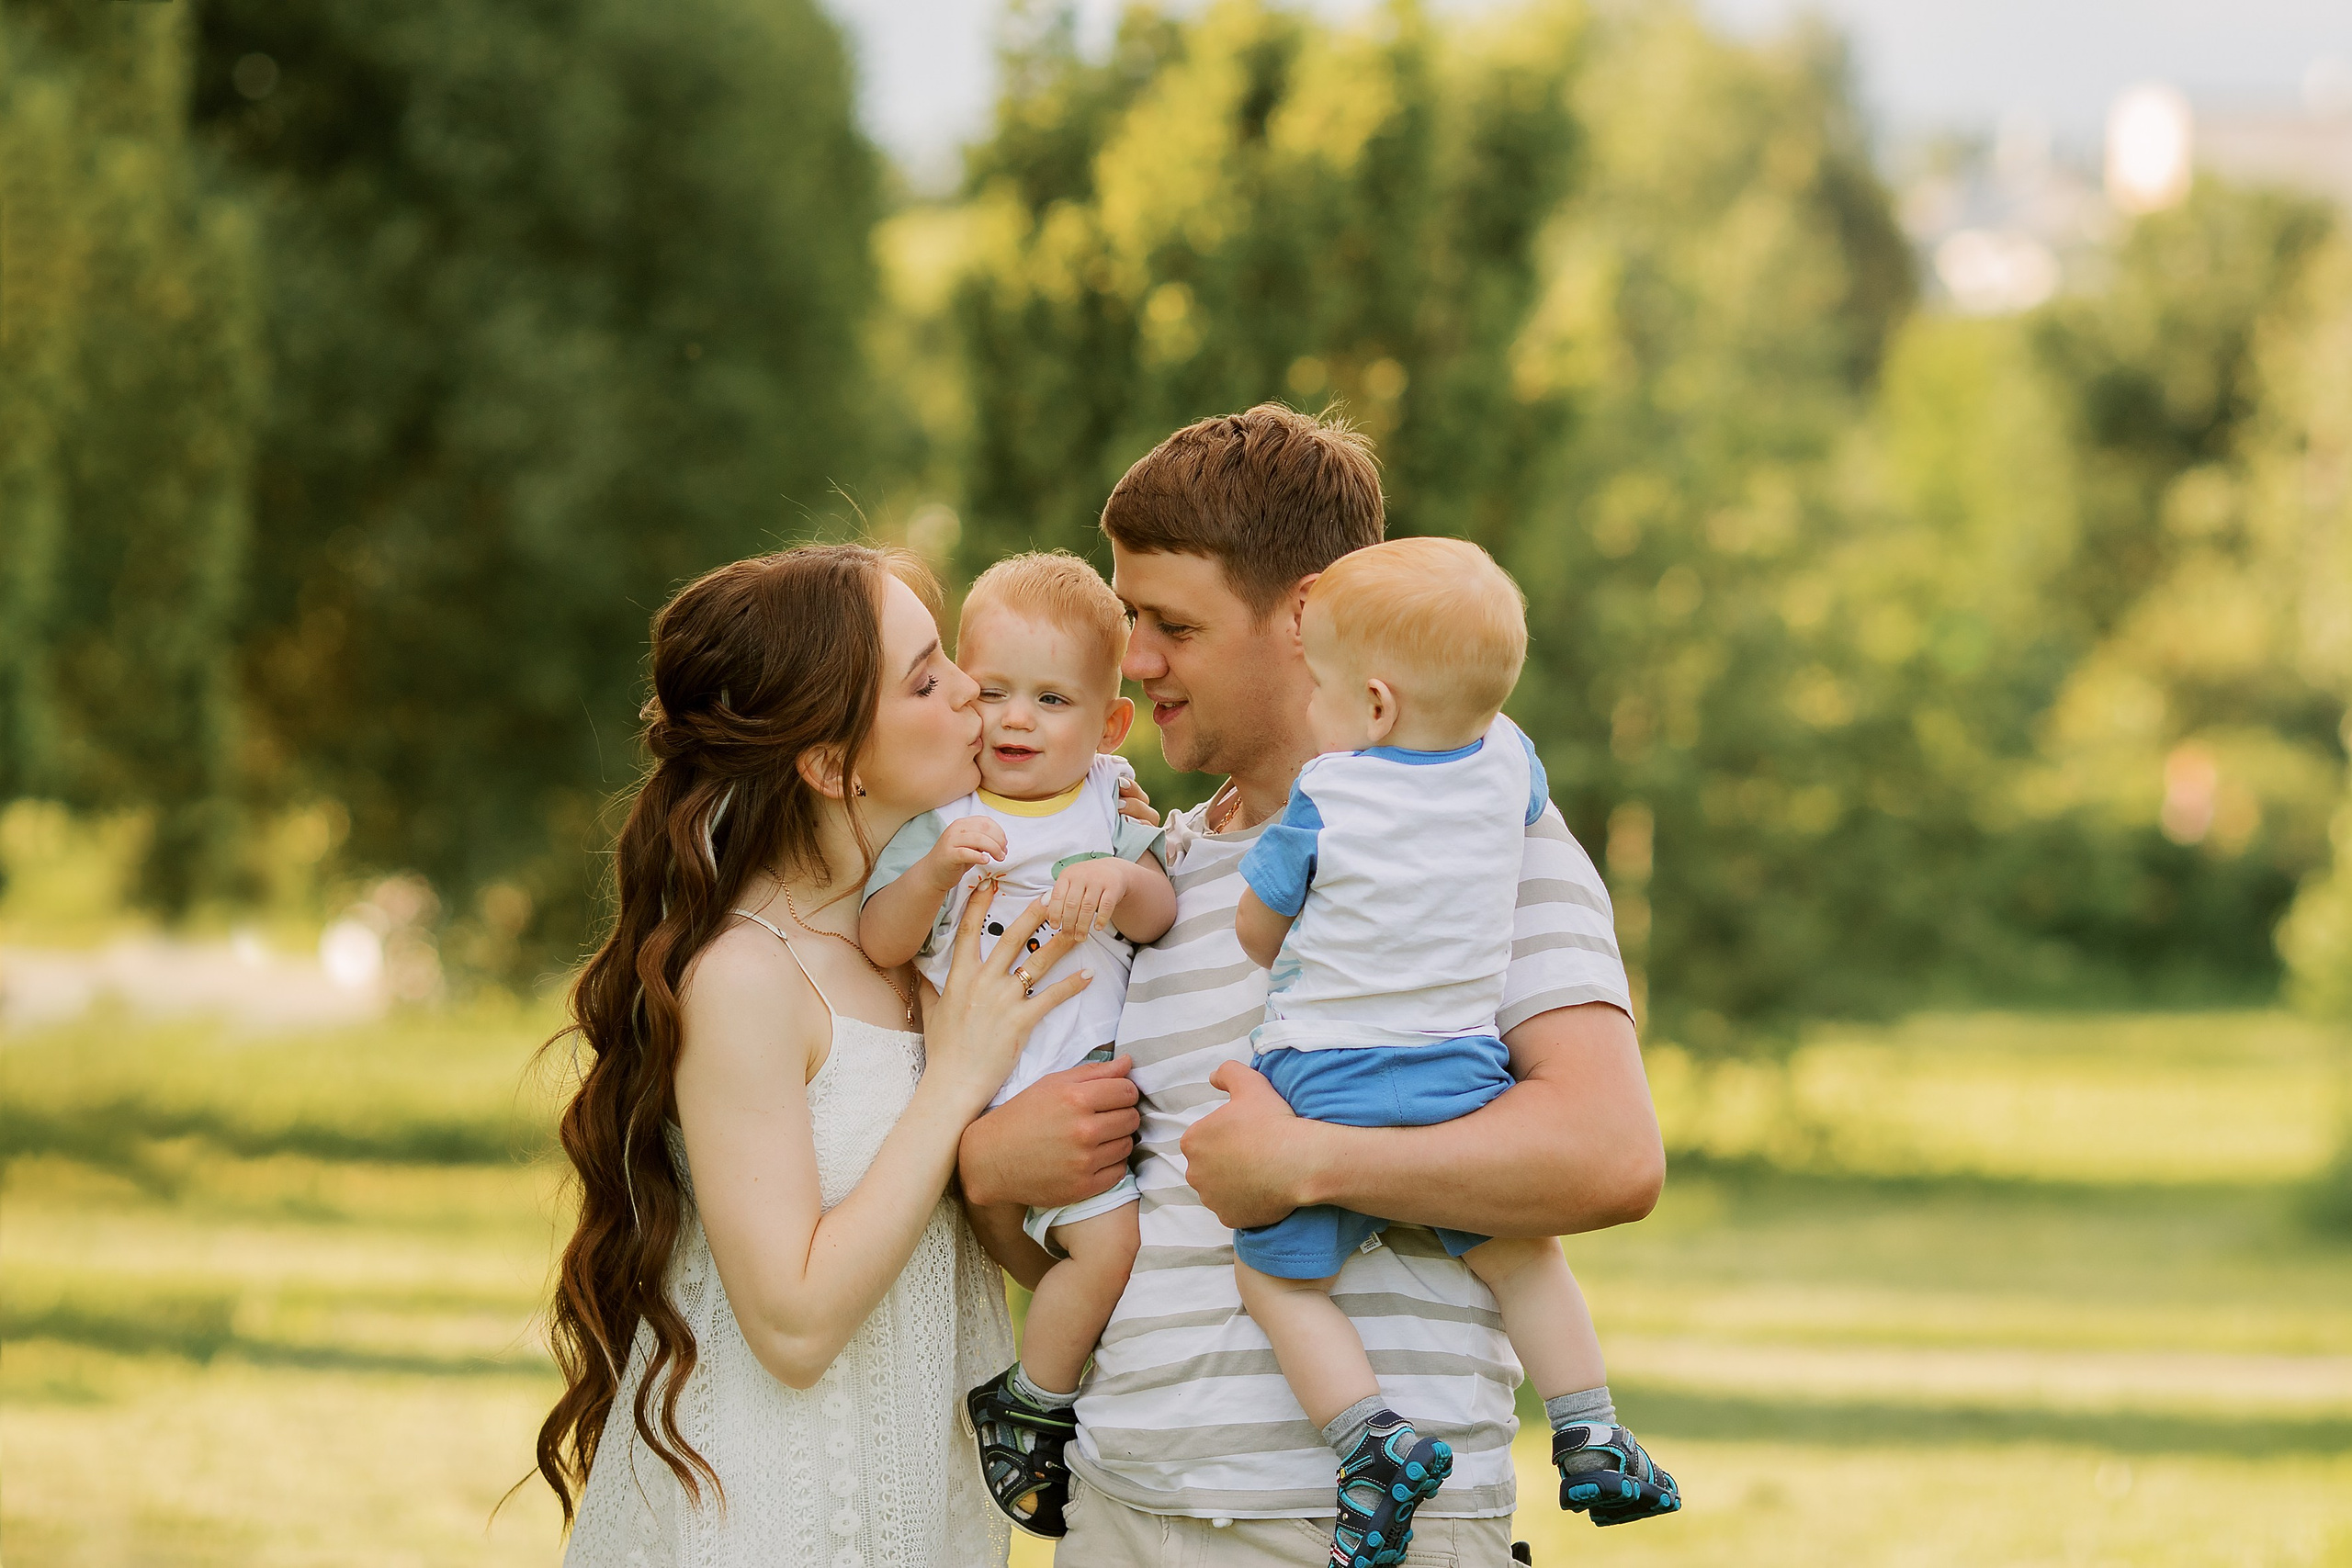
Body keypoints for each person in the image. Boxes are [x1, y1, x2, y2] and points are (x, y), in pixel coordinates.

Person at [956, 405, 1669, 1566]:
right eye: (1131, 617)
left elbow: (1610, 1155)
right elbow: (1106, 1251)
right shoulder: (1157, 868)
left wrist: (1312, 1165)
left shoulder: (1482, 830)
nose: (1133, 659)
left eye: (1171, 624)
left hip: (1346, 1537)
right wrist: (995, 1178)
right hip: (1119, 1510)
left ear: (1304, 614)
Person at [539, 543, 1094, 1568]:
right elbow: (790, 1326)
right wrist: (960, 1081)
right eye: (928, 678)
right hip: (767, 1518)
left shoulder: (916, 948)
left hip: (920, 1517)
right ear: (832, 766)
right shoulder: (748, 977)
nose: (973, 691)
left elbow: (985, 1258)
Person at [1230, 537, 1679, 1568]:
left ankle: (1370, 1440)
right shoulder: (1511, 768)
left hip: (1321, 1085)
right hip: (1459, 1081)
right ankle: (1591, 1429)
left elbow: (1257, 934)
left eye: (1320, 689)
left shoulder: (1328, 794)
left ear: (1375, 706)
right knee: (1523, 1260)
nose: (1310, 711)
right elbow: (1492, 756)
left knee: (1276, 1282)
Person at [859, 550, 1176, 1538]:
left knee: (1107, 1246)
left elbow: (1162, 912)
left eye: (1050, 699)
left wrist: (1120, 883)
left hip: (1084, 1081)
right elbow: (880, 938)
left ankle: (1032, 1391)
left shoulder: (1108, 806)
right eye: (991, 691)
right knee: (1110, 1244)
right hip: (991, 1091)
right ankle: (1034, 1401)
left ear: (1107, 724)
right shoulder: (943, 815)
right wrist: (931, 873)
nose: (1014, 719)